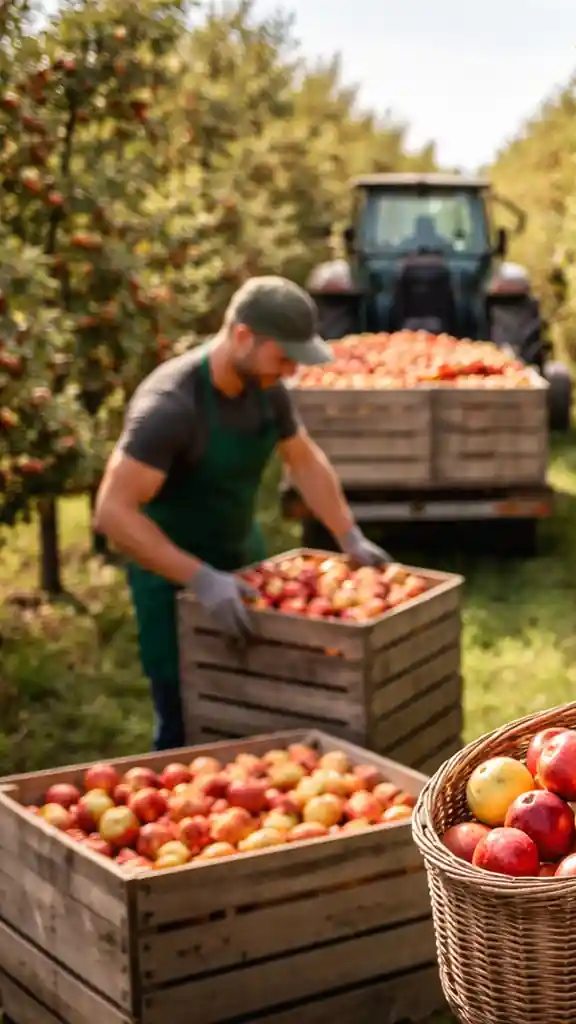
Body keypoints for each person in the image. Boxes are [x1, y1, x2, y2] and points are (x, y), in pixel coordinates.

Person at [93, 276, 392, 751]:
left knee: (260, 711)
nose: (291, 369)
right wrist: (200, 578)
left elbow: (304, 459)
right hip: (176, 584)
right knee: (188, 719)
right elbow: (112, 513)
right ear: (242, 337)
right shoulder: (171, 408)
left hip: (246, 568)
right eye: (284, 356)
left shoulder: (266, 390)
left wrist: (348, 534)